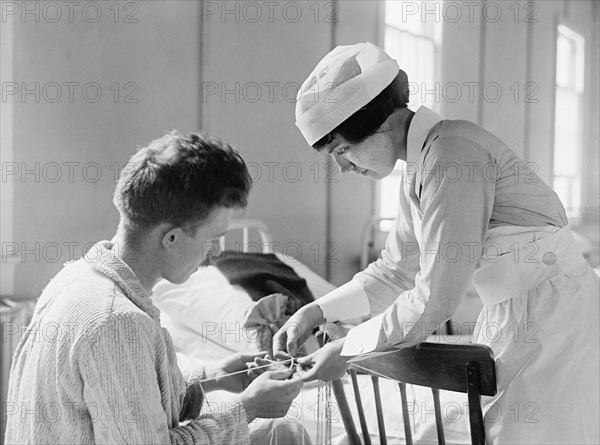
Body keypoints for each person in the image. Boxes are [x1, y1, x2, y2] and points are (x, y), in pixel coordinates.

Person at [274, 42, 600, 443]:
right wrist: (315, 311)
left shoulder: (453, 155)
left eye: (342, 149)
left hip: (558, 319)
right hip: (518, 316)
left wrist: (346, 351)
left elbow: (435, 298)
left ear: (377, 120)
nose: (341, 166)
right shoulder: (421, 167)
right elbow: (395, 272)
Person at [5, 131, 304, 444]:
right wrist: (249, 407)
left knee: (282, 431)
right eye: (212, 239)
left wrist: (213, 377)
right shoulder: (116, 322)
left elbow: (130, 402)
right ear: (171, 238)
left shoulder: (76, 279)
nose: (215, 253)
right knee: (286, 433)